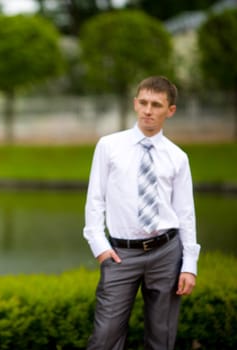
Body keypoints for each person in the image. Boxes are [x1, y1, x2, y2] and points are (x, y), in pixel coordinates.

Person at [83, 76, 200, 350]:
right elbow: (95, 200)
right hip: (121, 255)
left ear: (170, 111)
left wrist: (189, 264)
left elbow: (186, 213)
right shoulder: (109, 146)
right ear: (135, 104)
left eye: (157, 105)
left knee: (162, 337)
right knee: (105, 338)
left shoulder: (177, 157)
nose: (148, 110)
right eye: (144, 103)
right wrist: (99, 245)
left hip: (166, 252)